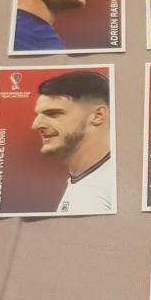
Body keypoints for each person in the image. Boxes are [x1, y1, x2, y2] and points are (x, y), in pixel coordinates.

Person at [31, 70, 113, 214]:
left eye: (53, 114)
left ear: (98, 115)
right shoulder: (86, 181)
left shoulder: (111, 187)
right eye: (38, 115)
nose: (36, 125)